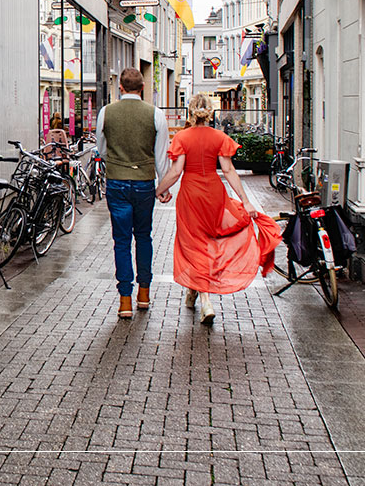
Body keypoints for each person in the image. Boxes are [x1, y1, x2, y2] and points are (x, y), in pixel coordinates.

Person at [155, 92, 280, 325]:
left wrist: (159, 190)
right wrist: (245, 201)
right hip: (214, 193)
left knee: (193, 243)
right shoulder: (220, 137)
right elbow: (229, 170)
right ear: (210, 112)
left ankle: (205, 300)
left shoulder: (182, 137)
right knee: (208, 242)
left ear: (191, 111)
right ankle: (194, 290)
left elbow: (176, 171)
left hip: (191, 194)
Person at [96, 68, 170, 319]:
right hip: (144, 183)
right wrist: (164, 186)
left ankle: (124, 300)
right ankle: (144, 293)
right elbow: (161, 156)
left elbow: (102, 149)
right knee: (144, 237)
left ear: (121, 87)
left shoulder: (106, 112)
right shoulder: (155, 114)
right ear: (142, 87)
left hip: (116, 181)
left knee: (121, 241)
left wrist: (117, 161)